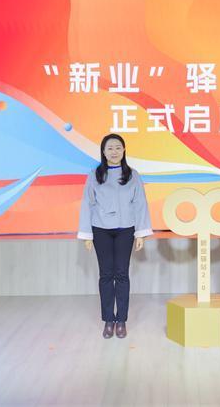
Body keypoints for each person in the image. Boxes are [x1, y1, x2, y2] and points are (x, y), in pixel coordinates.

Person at [78, 134, 153, 339]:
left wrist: (140, 233)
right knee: (105, 275)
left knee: (121, 274)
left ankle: (121, 320)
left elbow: (140, 204)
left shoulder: (132, 175)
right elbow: (87, 203)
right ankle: (108, 320)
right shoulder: (95, 175)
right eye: (110, 148)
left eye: (118, 147)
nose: (114, 151)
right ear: (103, 152)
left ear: (124, 150)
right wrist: (87, 235)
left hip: (125, 229)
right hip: (100, 229)